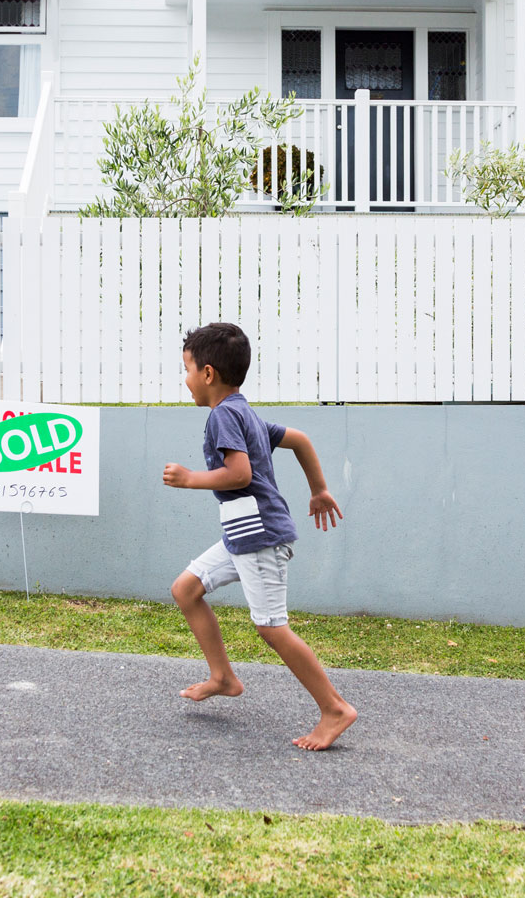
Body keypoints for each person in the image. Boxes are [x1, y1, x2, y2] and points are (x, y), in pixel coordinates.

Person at [164, 322, 357, 751]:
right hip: (242, 534)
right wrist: (319, 490)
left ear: (209, 374)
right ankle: (223, 677)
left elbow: (239, 474)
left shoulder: (223, 416)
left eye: (188, 370)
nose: (186, 380)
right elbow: (301, 440)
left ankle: (335, 708)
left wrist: (191, 478)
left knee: (271, 627)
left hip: (261, 537)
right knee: (186, 589)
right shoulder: (244, 411)